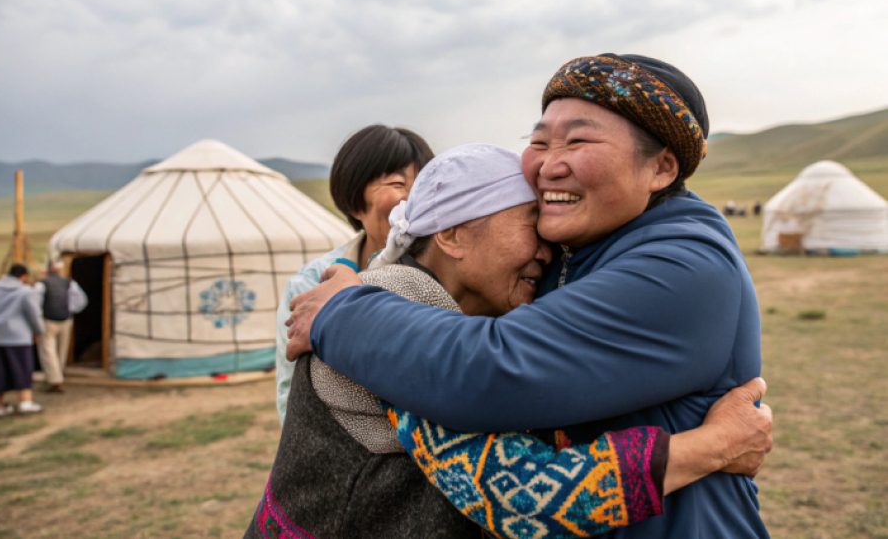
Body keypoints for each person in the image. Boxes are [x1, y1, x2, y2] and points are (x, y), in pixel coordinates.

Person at [287, 55, 770, 538]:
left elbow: (493, 371)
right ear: (450, 234)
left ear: (661, 167)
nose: (548, 166)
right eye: (538, 142)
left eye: (578, 141)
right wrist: (712, 447)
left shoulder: (685, 266)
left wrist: (339, 311)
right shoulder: (581, 246)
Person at [274, 124, 434, 422]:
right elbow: (290, 392)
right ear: (354, 203)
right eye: (398, 183)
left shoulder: (446, 275)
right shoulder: (310, 283)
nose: (413, 200)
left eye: (424, 185)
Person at [0, 264, 44, 416]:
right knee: (23, 369)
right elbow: (34, 314)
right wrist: (38, 331)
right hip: (19, 338)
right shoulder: (26, 291)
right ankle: (25, 402)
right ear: (23, 276)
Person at [34, 260, 88, 392]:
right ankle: (58, 377)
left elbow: (35, 303)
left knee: (48, 351)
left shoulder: (42, 283)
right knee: (61, 351)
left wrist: (37, 319)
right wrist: (70, 310)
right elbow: (81, 300)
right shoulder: (69, 282)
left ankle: (55, 380)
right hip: (66, 320)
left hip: (48, 320)